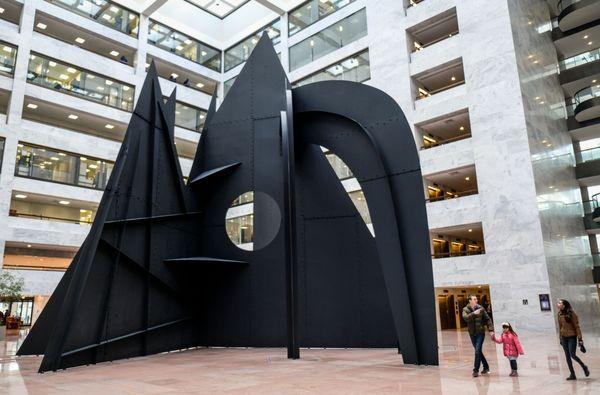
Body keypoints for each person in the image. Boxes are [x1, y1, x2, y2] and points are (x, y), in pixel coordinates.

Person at [557, 299, 589, 380]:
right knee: (567, 356)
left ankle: (584, 367)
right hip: (564, 337)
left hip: (572, 337)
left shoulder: (572, 313)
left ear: (564, 305)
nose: (558, 304)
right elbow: (560, 327)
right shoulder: (559, 314)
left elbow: (577, 326)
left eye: (559, 303)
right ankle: (572, 374)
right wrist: (560, 337)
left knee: (572, 354)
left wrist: (580, 338)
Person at [462, 294, 494, 377]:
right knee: (478, 351)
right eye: (474, 299)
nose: (476, 300)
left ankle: (475, 370)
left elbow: (488, 319)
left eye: (476, 299)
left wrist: (490, 330)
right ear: (470, 300)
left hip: (480, 333)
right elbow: (465, 318)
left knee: (477, 350)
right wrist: (474, 313)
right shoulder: (465, 309)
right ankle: (486, 367)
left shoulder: (481, 308)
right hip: (472, 334)